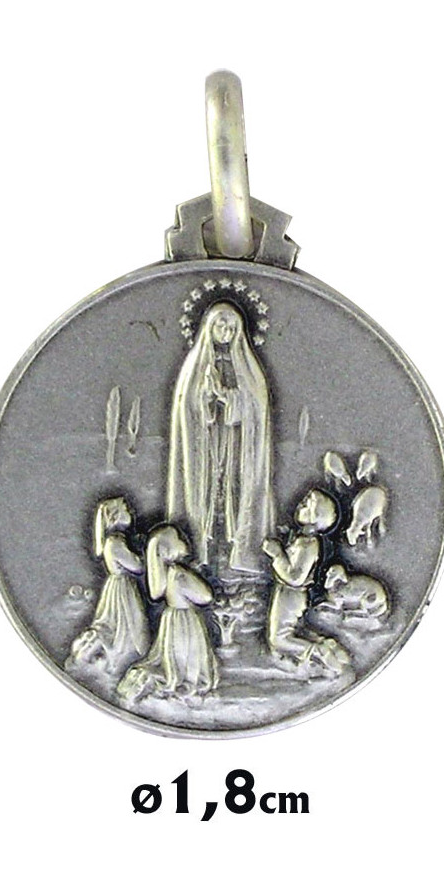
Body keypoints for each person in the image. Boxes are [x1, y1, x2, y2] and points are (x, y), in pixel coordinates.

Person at [167, 301, 274, 573]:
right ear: (209, 328)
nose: (225, 332)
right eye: (220, 326)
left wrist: (227, 397)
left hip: (237, 444)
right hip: (206, 442)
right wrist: (205, 398)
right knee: (206, 490)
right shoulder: (196, 366)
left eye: (231, 328)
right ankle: (201, 550)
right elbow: (188, 406)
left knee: (233, 492)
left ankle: (236, 553)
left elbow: (255, 406)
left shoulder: (247, 367)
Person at [117, 526, 217, 702]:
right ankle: (188, 681)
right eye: (178, 538)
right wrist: (195, 576)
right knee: (186, 651)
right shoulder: (178, 573)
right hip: (186, 620)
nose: (183, 540)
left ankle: (176, 677)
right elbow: (205, 596)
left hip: (171, 618)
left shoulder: (167, 573)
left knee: (174, 652)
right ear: (167, 549)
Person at [262, 489, 349, 675]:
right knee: (288, 633)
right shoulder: (302, 540)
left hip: (291, 594)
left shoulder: (308, 545)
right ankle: (323, 647)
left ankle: (319, 653)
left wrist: (277, 555)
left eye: (307, 505)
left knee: (279, 639)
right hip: (287, 593)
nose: (301, 504)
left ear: (315, 518)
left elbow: (295, 578)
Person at [69, 497, 149, 675]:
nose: (130, 512)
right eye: (125, 509)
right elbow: (137, 566)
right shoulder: (115, 543)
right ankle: (124, 654)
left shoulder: (116, 541)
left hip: (121, 585)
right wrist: (145, 554)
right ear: (114, 517)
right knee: (126, 623)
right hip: (122, 589)